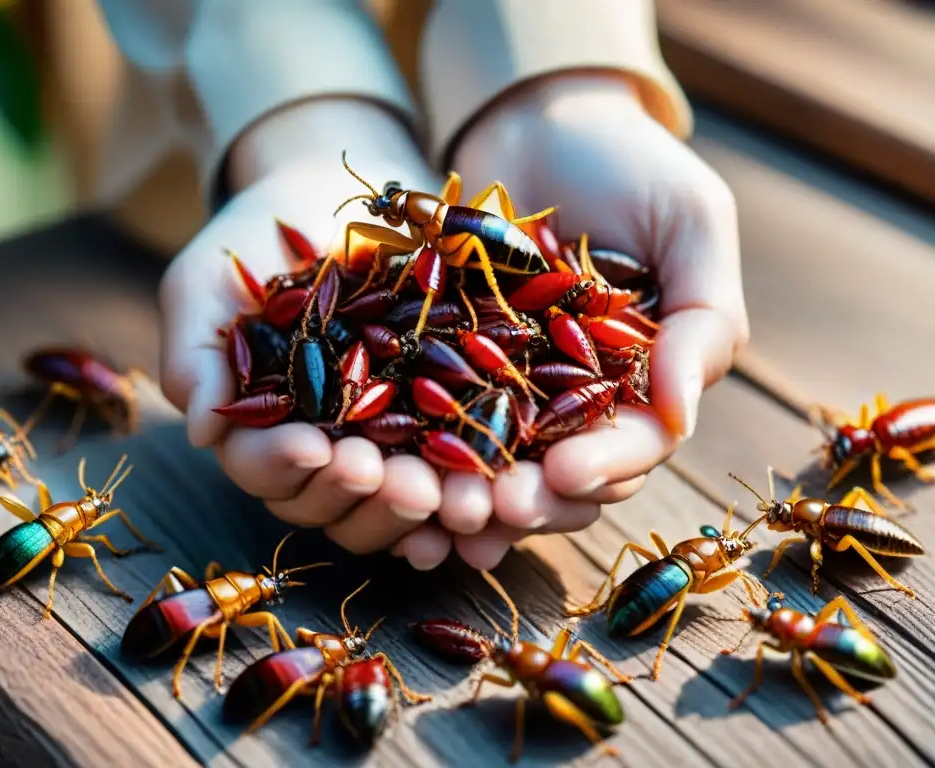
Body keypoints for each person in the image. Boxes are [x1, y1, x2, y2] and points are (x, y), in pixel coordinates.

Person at [93, 0, 748, 572]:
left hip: (494, 250)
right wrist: (296, 122)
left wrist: (561, 82)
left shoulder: (431, 238)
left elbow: (456, 251)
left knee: (471, 260)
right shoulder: (411, 242)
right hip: (486, 248)